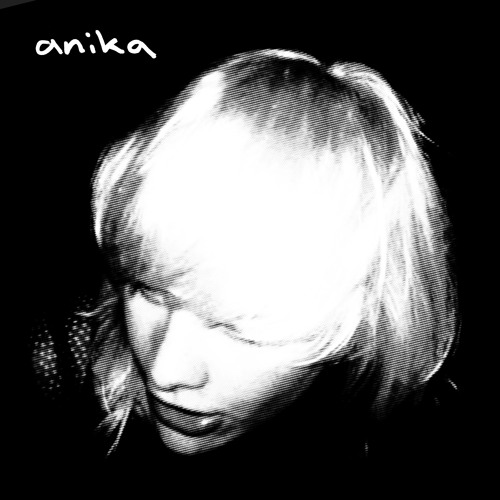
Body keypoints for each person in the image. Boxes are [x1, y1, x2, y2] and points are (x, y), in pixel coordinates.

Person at [29, 49, 459, 483]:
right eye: (149, 291)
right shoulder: (63, 362)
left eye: (244, 330)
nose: (165, 371)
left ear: (365, 319)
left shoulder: (416, 441)